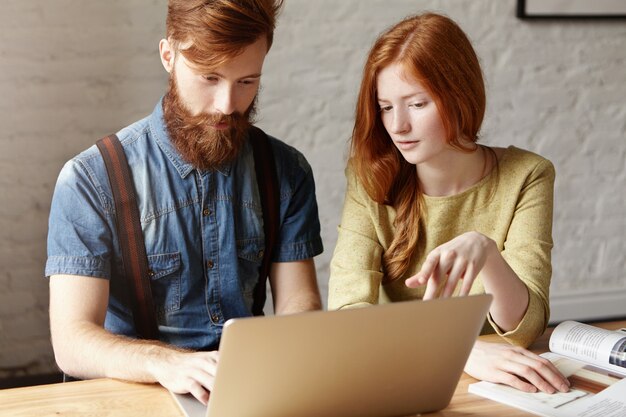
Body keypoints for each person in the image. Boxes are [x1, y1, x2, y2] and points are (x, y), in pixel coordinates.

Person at [46, 0, 323, 405]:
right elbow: (72, 341)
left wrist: (288, 351)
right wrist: (167, 364)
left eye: (247, 81)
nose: (228, 104)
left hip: (245, 393)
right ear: (168, 55)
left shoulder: (286, 171)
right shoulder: (91, 179)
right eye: (209, 77)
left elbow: (300, 301)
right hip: (134, 393)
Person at [328, 12, 571, 394]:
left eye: (417, 104)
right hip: (402, 370)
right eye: (386, 107)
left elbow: (525, 328)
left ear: (460, 95)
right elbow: (346, 313)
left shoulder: (528, 174)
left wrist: (487, 252)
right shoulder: (368, 177)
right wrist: (461, 351)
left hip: (498, 382)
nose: (397, 126)